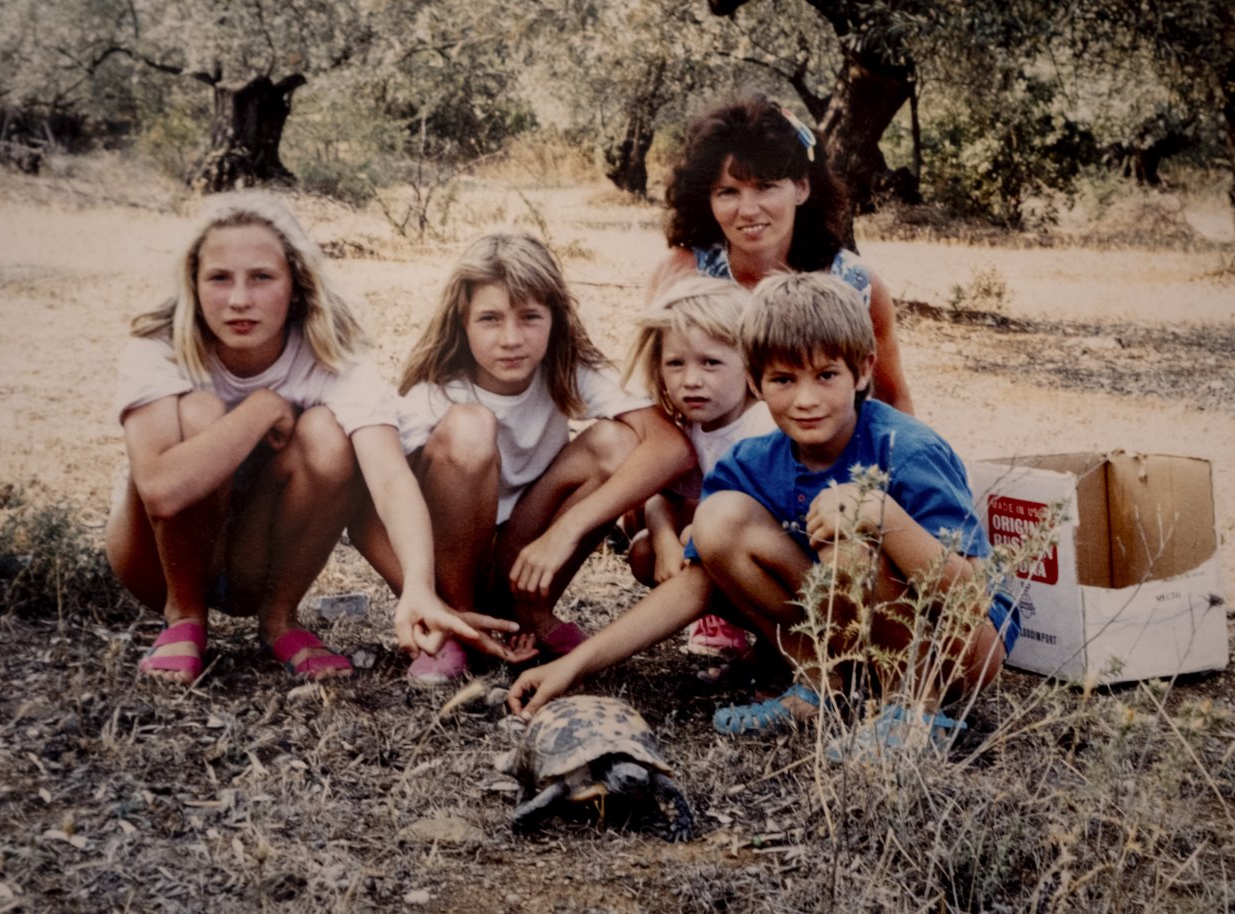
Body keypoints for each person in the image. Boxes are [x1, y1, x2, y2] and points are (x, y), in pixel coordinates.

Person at [510, 273, 1017, 747]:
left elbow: (971, 600)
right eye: (783, 379)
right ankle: (819, 685)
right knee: (718, 518)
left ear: (862, 371)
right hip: (855, 640)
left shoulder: (906, 449)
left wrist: (886, 518)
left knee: (850, 552)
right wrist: (574, 666)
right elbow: (695, 584)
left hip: (959, 652)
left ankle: (912, 713)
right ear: (755, 381)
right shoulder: (752, 460)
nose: (805, 400)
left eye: (826, 375)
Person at [107, 193, 520, 686]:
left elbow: (388, 478)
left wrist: (418, 587)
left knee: (330, 433)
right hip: (156, 561)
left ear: (296, 285)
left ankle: (280, 619)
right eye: (219, 278)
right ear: (193, 286)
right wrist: (263, 407)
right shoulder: (159, 346)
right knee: (200, 411)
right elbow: (159, 490)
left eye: (262, 277)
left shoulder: (331, 357)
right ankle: (185, 617)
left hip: (251, 565)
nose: (240, 299)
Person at [353, 233, 694, 686]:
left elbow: (671, 446)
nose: (511, 339)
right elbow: (361, 516)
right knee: (471, 428)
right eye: (490, 319)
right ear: (462, 320)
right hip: (454, 565)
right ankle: (459, 625)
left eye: (530, 317)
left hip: (524, 555)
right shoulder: (433, 392)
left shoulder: (568, 368)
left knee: (618, 441)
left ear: (555, 317)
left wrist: (567, 530)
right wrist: (429, 600)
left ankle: (529, 612)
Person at [648, 91, 914, 416]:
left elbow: (893, 399)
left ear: (801, 188)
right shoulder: (682, 272)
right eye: (728, 192)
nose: (747, 210)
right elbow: (651, 394)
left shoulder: (855, 283)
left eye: (765, 187)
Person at [619, 275, 774, 660]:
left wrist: (687, 537)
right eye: (675, 363)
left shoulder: (764, 426)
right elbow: (663, 496)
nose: (691, 381)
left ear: (750, 363)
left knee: (695, 529)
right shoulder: (691, 428)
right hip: (721, 553)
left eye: (711, 362)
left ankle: (780, 649)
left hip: (781, 568)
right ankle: (723, 620)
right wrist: (665, 542)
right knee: (644, 550)